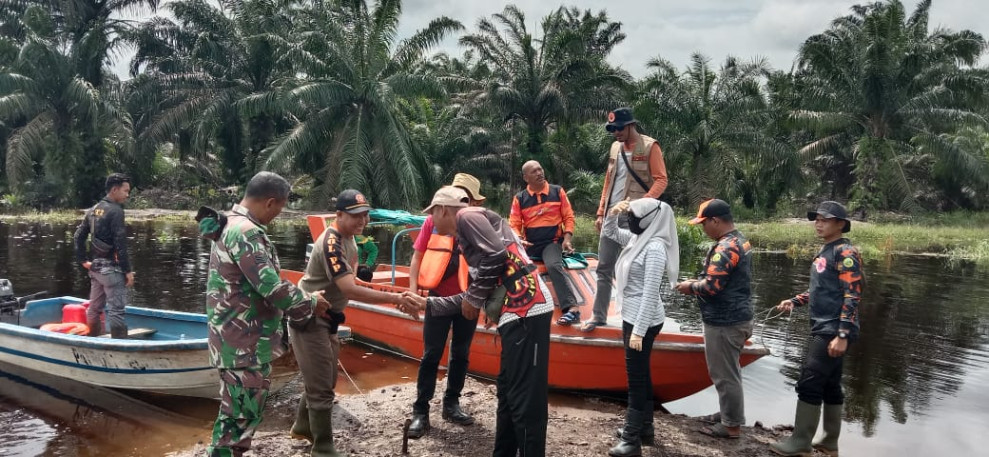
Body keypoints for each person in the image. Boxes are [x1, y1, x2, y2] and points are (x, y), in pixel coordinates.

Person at [407, 186, 554, 457]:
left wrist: (474, 300)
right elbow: (471, 296)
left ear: (442, 210)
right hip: (514, 315)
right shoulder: (468, 235)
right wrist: (427, 304)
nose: (431, 221)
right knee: (506, 393)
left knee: (524, 399)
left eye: (432, 214)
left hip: (528, 311)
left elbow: (495, 258)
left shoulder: (466, 216)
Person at [201, 171, 330, 457]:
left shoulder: (229, 223)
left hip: (234, 336)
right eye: (280, 207)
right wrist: (311, 302)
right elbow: (270, 286)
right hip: (243, 341)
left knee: (237, 412)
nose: (278, 214)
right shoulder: (246, 232)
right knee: (240, 416)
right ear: (271, 202)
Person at [289, 189, 420, 457]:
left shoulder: (349, 239)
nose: (362, 220)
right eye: (356, 215)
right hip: (310, 319)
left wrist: (393, 293)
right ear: (338, 215)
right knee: (322, 386)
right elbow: (349, 289)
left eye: (365, 215)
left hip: (328, 319)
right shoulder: (331, 243)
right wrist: (394, 299)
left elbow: (352, 281)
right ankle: (323, 449)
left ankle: (303, 427)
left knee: (324, 379)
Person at [770, 201, 863, 457]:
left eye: (825, 220)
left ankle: (801, 442)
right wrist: (795, 301)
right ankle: (829, 442)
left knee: (809, 382)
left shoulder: (845, 253)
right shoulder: (827, 250)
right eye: (817, 219)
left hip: (833, 328)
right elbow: (821, 290)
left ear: (841, 224)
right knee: (830, 384)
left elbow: (852, 295)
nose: (818, 224)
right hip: (825, 326)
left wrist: (842, 334)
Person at [406, 173, 486, 439]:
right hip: (437, 297)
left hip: (468, 300)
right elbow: (417, 257)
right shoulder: (434, 221)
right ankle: (421, 411)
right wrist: (413, 293)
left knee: (461, 352)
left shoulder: (478, 225)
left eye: (467, 199)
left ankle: (451, 404)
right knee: (431, 354)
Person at [604, 198, 679, 457]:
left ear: (650, 218)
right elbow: (611, 233)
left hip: (643, 320)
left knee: (635, 379)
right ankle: (645, 429)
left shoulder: (655, 248)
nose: (631, 220)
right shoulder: (638, 239)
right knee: (642, 374)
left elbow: (650, 293)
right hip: (632, 315)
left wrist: (638, 330)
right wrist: (613, 214)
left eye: (635, 216)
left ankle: (631, 440)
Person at [674, 199, 754, 439]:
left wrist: (689, 286)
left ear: (715, 221)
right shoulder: (741, 240)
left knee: (724, 374)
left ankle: (731, 426)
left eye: (704, 223)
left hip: (725, 322)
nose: (703, 228)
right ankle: (728, 414)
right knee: (730, 371)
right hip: (738, 316)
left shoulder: (725, 248)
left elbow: (711, 287)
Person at [584, 107, 668, 332]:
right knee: (604, 267)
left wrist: (642, 205)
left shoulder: (650, 146)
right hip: (612, 216)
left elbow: (661, 180)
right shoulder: (615, 148)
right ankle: (598, 316)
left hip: (637, 219)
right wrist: (601, 212)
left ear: (631, 125)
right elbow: (608, 181)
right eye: (612, 129)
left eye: (619, 128)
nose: (616, 133)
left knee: (641, 269)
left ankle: (647, 318)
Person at [509, 160, 580, 326]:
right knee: (511, 267)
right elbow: (514, 224)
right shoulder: (520, 198)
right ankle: (516, 312)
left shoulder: (557, 191)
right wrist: (519, 239)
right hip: (530, 245)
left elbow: (569, 217)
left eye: (540, 169)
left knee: (553, 265)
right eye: (534, 171)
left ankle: (572, 308)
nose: (539, 173)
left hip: (552, 243)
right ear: (526, 178)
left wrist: (567, 239)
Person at [73, 173, 134, 339]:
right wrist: (127, 271)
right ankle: (119, 346)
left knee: (94, 308)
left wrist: (83, 260)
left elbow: (78, 237)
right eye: (125, 191)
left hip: (95, 269)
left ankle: (92, 339)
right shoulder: (116, 211)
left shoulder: (93, 210)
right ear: (114, 190)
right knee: (117, 311)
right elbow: (120, 243)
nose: (127, 195)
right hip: (112, 271)